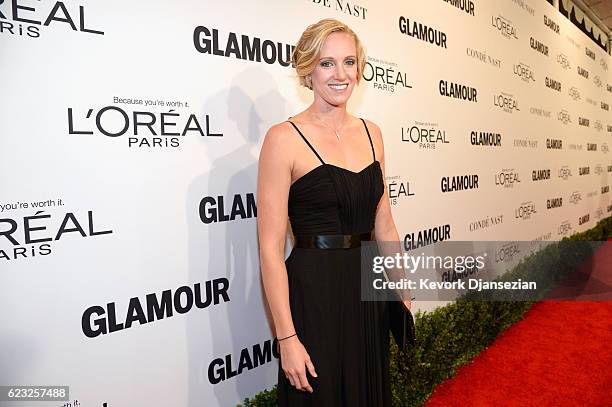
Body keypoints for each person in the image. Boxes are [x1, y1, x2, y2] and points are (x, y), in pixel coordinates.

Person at [257, 18, 410, 406]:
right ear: (308, 69)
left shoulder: (373, 132)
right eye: (327, 63)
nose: (340, 74)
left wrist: (404, 294)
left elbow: (385, 223)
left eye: (349, 62)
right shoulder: (283, 138)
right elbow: (270, 250)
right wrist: (287, 338)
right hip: (314, 295)